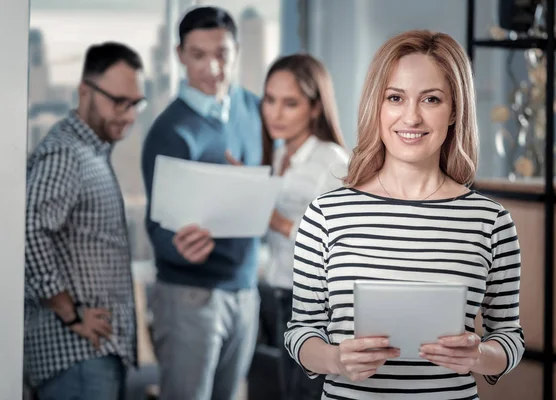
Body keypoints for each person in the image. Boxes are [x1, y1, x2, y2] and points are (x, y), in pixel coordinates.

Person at [284, 30, 524, 399]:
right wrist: (335, 359)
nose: (411, 117)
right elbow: (301, 331)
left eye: (431, 99)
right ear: (376, 106)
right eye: (395, 98)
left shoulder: (490, 221)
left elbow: (509, 337)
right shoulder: (326, 214)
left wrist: (478, 356)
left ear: (454, 110)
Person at [141, 6, 262, 400]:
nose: (213, 67)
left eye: (222, 54)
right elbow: (158, 229)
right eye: (198, 55)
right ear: (180, 56)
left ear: (236, 51)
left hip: (245, 289)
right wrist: (178, 246)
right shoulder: (169, 132)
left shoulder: (254, 109)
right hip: (190, 294)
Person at [24, 42, 146, 400]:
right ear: (84, 91)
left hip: (95, 357)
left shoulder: (93, 152)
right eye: (117, 101)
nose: (127, 114)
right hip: (75, 358)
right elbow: (29, 228)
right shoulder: (67, 152)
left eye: (135, 103)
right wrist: (71, 313)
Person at [251, 54, 348, 400]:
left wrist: (276, 220)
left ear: (315, 107)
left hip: (316, 307)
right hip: (280, 295)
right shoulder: (278, 157)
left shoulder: (332, 162)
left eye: (290, 103)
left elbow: (342, 247)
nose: (275, 113)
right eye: (270, 100)